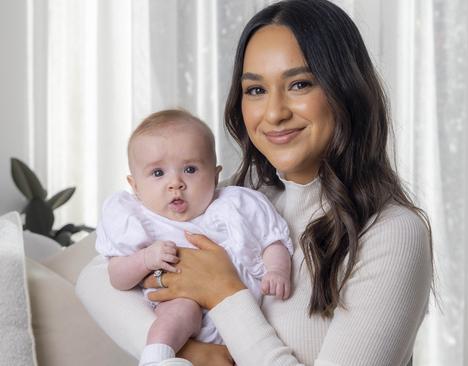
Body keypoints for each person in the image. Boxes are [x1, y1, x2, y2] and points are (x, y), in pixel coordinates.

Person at [77, 0, 434, 365]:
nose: (275, 113)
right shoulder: (234, 198)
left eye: (299, 84)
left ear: (345, 91)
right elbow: (93, 277)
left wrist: (224, 293)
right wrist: (191, 352)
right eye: (256, 90)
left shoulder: (393, 234)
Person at [94, 109, 293, 366]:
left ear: (215, 174)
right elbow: (117, 276)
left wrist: (277, 270)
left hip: (244, 324)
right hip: (183, 319)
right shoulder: (138, 219)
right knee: (180, 310)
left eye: (190, 169)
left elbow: (272, 240)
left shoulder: (238, 204)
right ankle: (157, 359)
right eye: (157, 173)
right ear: (135, 186)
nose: (175, 183)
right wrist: (145, 258)